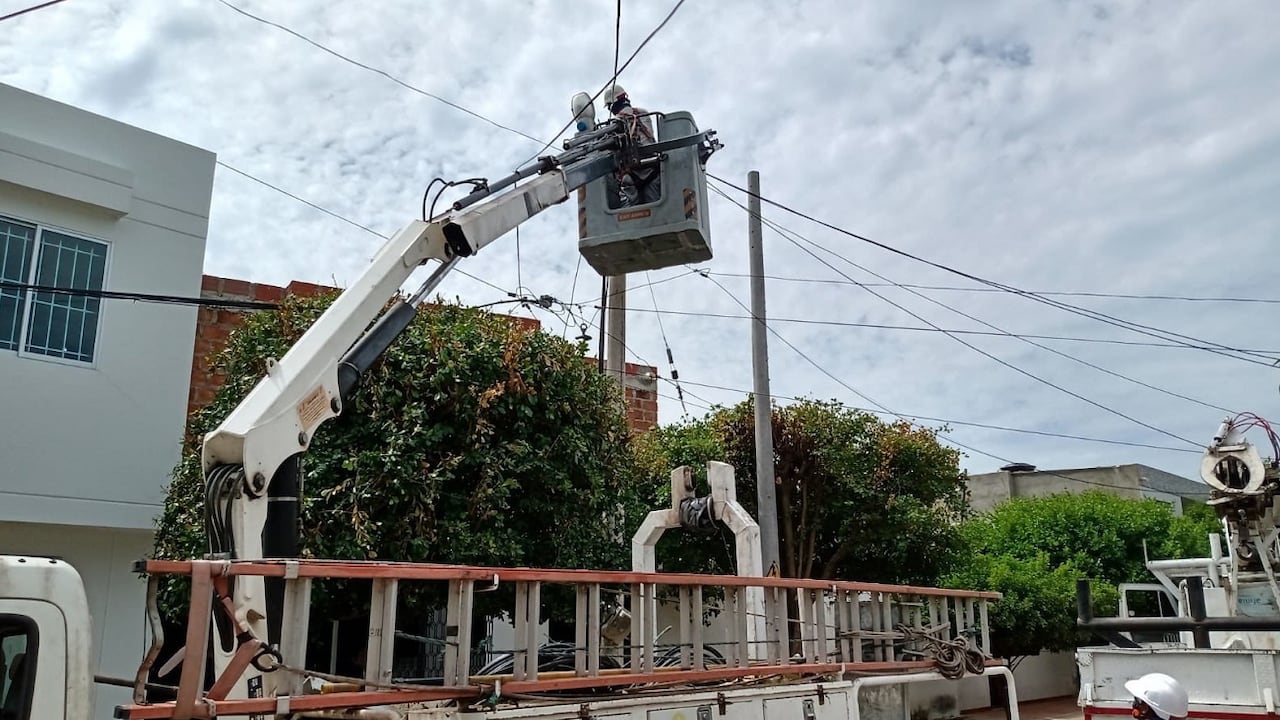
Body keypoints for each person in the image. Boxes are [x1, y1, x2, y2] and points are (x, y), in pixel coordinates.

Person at [603, 84, 661, 207]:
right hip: (653, 172)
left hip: (630, 176)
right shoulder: (643, 113)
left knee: (631, 213)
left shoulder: (615, 124)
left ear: (613, 104)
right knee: (655, 210)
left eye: (609, 107)